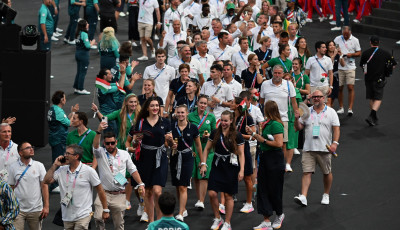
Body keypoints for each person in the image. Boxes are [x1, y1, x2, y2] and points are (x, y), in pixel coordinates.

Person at [126, 97, 173, 223]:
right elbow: (133, 144)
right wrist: (136, 141)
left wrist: (170, 140)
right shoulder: (140, 123)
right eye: (152, 106)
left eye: (157, 105)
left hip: (160, 157)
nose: (155, 108)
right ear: (147, 108)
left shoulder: (165, 122)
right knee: (147, 192)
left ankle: (158, 220)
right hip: (144, 158)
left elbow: (169, 145)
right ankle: (151, 222)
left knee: (157, 191)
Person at [44, 145, 110, 229]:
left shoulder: (89, 171)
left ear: (76, 156)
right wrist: (54, 165)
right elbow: (46, 181)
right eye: (65, 153)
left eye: (68, 153)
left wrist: (105, 209)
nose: (65, 155)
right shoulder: (61, 169)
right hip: (66, 216)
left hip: (83, 215)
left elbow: (100, 190)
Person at [92, 125, 145, 229]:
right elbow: (95, 146)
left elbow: (133, 170)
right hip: (104, 193)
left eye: (112, 143)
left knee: (119, 224)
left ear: (116, 142)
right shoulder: (100, 153)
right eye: (107, 143)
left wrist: (141, 184)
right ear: (104, 144)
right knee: (98, 218)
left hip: (119, 194)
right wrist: (98, 131)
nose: (110, 145)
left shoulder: (124, 154)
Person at [293, 90, 340, 206]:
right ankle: (303, 196)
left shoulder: (331, 112)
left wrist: (335, 143)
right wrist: (296, 119)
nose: (317, 98)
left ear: (324, 98)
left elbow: (336, 128)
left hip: (325, 149)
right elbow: (298, 128)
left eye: (319, 97)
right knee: (306, 172)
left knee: (326, 172)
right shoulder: (307, 112)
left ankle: (326, 194)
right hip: (309, 148)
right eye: (314, 97)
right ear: (311, 99)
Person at [200, 110, 245, 230]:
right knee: (212, 193)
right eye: (222, 120)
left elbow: (241, 154)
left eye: (226, 121)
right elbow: (206, 149)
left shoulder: (237, 135)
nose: (223, 123)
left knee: (228, 195)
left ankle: (227, 222)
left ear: (231, 121)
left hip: (231, 167)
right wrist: (203, 164)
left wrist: (242, 170)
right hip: (217, 165)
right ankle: (218, 218)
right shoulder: (215, 133)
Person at [246, 100, 285, 230]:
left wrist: (262, 140)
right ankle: (266, 221)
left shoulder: (276, 125)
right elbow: (263, 139)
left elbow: (279, 144)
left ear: (268, 110)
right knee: (262, 188)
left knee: (274, 188)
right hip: (265, 158)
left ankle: (279, 214)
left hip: (274, 159)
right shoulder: (266, 123)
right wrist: (252, 134)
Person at [259, 65, 298, 172]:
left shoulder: (288, 84)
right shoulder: (265, 84)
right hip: (267, 119)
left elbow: (294, 101)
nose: (277, 75)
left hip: (283, 118)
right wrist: (261, 116)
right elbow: (261, 102)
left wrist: (296, 114)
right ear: (272, 73)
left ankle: (280, 164)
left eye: (279, 73)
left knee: (282, 143)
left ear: (282, 74)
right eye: (275, 73)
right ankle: (268, 163)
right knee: (266, 140)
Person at [170, 105, 203, 221]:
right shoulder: (171, 126)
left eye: (182, 113)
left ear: (187, 113)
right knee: (178, 186)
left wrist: (202, 161)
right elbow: (165, 143)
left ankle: (180, 213)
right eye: (178, 113)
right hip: (174, 157)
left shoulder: (193, 127)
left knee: (183, 186)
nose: (180, 115)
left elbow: (198, 145)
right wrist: (170, 144)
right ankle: (183, 209)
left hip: (188, 158)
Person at [8, 142, 49, 230]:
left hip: (36, 209)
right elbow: (11, 188)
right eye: (27, 148)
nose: (31, 149)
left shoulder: (39, 166)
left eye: (32, 147)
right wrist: (10, 207)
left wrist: (46, 206)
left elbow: (44, 186)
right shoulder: (13, 167)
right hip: (18, 210)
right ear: (20, 152)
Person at [360, 35, 397, 126]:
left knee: (372, 97)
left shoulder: (365, 53)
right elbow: (394, 65)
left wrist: (366, 71)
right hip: (379, 79)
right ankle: (372, 115)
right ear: (379, 42)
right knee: (378, 98)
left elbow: (362, 65)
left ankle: (373, 118)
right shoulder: (386, 53)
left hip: (368, 79)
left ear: (370, 42)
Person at [188, 95, 217, 210]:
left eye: (205, 103)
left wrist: (209, 135)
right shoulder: (190, 116)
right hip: (194, 147)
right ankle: (199, 198)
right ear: (197, 103)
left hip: (207, 148)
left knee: (204, 174)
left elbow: (215, 133)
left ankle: (201, 200)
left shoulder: (211, 117)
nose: (203, 105)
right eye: (201, 103)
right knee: (195, 174)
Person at [47, 91, 79, 193]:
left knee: (58, 159)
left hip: (54, 137)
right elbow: (69, 123)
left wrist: (72, 112)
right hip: (58, 139)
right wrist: (74, 114)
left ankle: (57, 182)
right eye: (64, 97)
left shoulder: (53, 109)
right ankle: (54, 185)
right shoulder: (58, 111)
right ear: (62, 99)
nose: (65, 99)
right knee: (58, 160)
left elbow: (64, 120)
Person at [233, 97, 255, 214]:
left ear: (237, 105)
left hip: (243, 149)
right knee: (231, 175)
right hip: (232, 150)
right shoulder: (232, 116)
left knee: (247, 177)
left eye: (232, 102)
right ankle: (230, 197)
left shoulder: (248, 118)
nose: (230, 104)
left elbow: (252, 135)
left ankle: (249, 202)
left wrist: (239, 134)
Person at [334, 27, 361, 116]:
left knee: (350, 87)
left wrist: (351, 54)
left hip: (350, 66)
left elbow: (359, 53)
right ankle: (341, 107)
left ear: (350, 32)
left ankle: (350, 108)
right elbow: (334, 49)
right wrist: (337, 52)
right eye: (344, 34)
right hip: (339, 67)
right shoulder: (337, 39)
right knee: (339, 88)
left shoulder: (355, 40)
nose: (345, 36)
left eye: (347, 34)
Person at [74, 19, 96, 95]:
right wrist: (92, 43)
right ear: (84, 26)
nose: (88, 24)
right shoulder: (84, 34)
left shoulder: (78, 33)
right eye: (87, 23)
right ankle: (80, 88)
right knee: (83, 72)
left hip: (77, 53)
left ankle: (76, 87)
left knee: (79, 71)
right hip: (83, 55)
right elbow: (87, 46)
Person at [326, 41, 345, 107]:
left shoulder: (337, 55)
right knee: (329, 97)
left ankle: (330, 109)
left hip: (335, 78)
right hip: (327, 77)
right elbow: (328, 64)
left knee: (333, 96)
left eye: (333, 45)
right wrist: (334, 55)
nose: (332, 47)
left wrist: (341, 55)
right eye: (330, 45)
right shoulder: (325, 55)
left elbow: (343, 64)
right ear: (327, 47)